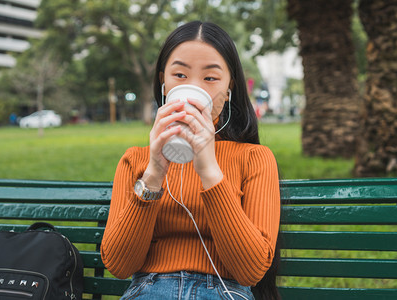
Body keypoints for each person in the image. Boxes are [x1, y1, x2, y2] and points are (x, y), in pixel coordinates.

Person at [101, 21, 281, 300]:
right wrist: (154, 172)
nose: (194, 88)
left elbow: (251, 271)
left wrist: (209, 170)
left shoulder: (254, 158)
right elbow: (119, 265)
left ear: (229, 87)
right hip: (149, 290)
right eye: (180, 75)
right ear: (164, 82)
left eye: (210, 78)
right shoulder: (135, 160)